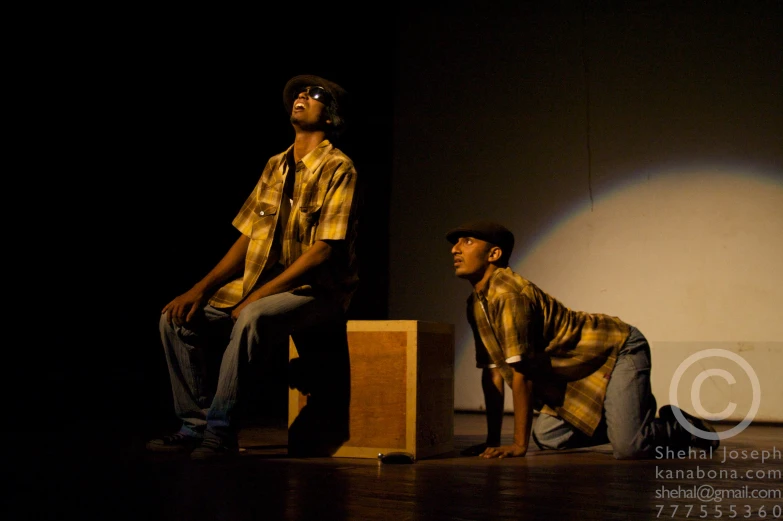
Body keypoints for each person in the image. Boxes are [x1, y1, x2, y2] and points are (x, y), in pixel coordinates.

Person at [148, 74, 360, 459]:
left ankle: (220, 432)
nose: (301, 96)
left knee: (252, 318)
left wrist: (257, 296)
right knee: (174, 318)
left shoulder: (339, 168)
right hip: (260, 287)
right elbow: (248, 238)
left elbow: (323, 252)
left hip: (317, 294)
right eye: (298, 92)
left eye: (313, 94)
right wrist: (201, 289)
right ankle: (193, 426)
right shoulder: (275, 165)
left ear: (330, 117)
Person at [447, 220, 719, 460]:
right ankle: (632, 424)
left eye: (467, 242)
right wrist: (493, 441)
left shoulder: (510, 294)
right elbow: (494, 373)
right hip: (579, 367)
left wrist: (519, 445)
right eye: (455, 243)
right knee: (549, 437)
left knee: (630, 449)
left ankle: (677, 429)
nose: (455, 249)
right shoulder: (476, 303)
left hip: (618, 347)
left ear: (494, 253)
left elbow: (522, 374)